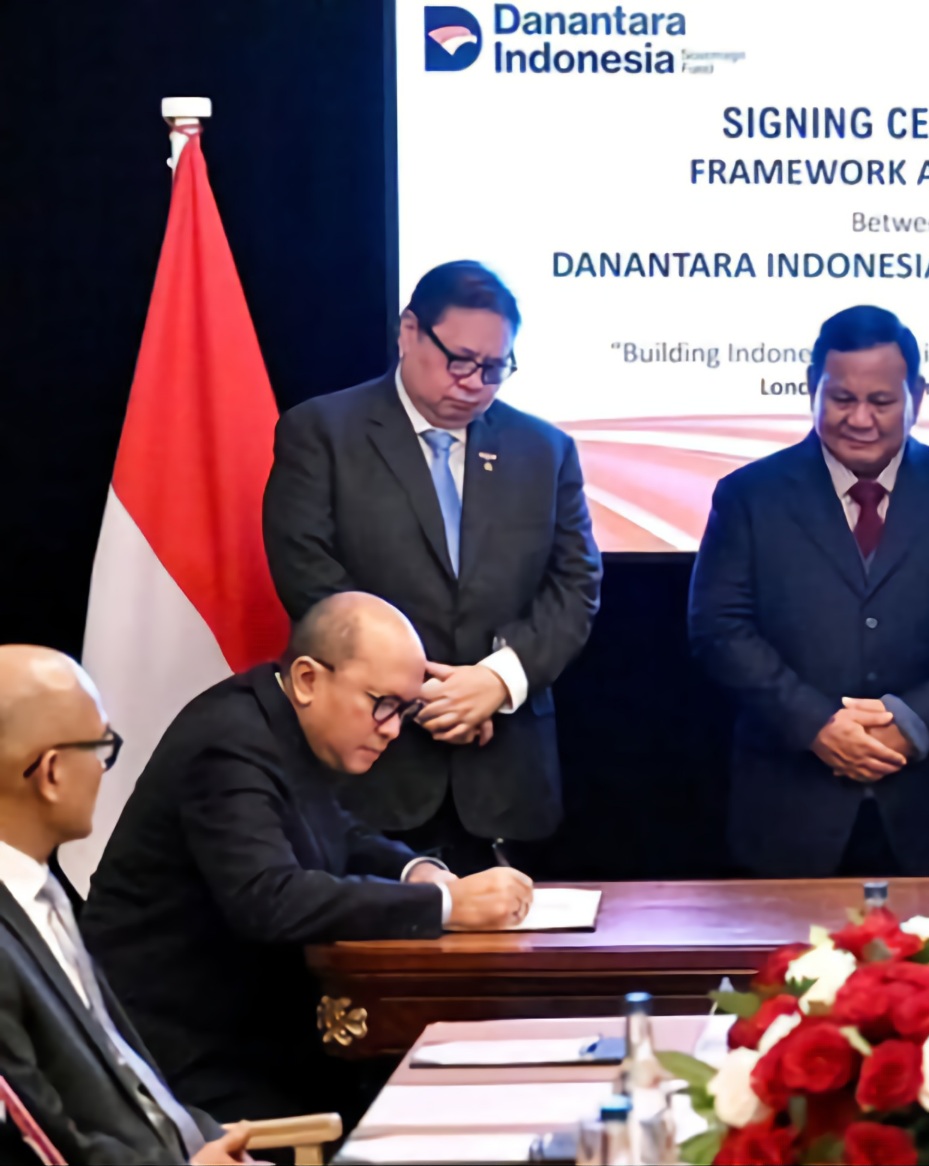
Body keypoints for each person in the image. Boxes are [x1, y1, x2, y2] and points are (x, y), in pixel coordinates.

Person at [81, 594, 535, 1125]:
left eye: (404, 710)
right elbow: (269, 898)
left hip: (260, 1037)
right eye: (382, 703)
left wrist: (418, 871)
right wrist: (444, 906)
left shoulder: (283, 724)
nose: (393, 728)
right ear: (307, 679)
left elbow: (335, 831)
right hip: (177, 1057)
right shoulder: (229, 745)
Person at [262, 260, 602, 873]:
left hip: (505, 775)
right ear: (409, 332)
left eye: (494, 368)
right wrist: (426, 692)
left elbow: (575, 586)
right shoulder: (322, 433)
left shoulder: (545, 451)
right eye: (460, 360)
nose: (474, 383)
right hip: (372, 769)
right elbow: (308, 576)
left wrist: (496, 682)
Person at [689, 305, 929, 877]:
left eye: (881, 401)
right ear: (812, 388)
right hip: (792, 813)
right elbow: (720, 630)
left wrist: (913, 723)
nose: (860, 419)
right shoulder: (749, 497)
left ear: (917, 396)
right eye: (842, 399)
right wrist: (817, 725)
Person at [0, 645, 253, 1164]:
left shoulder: (42, 900)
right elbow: (45, 1147)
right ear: (51, 773)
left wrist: (211, 1143)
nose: (103, 768)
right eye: (101, 747)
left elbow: (132, 1084)